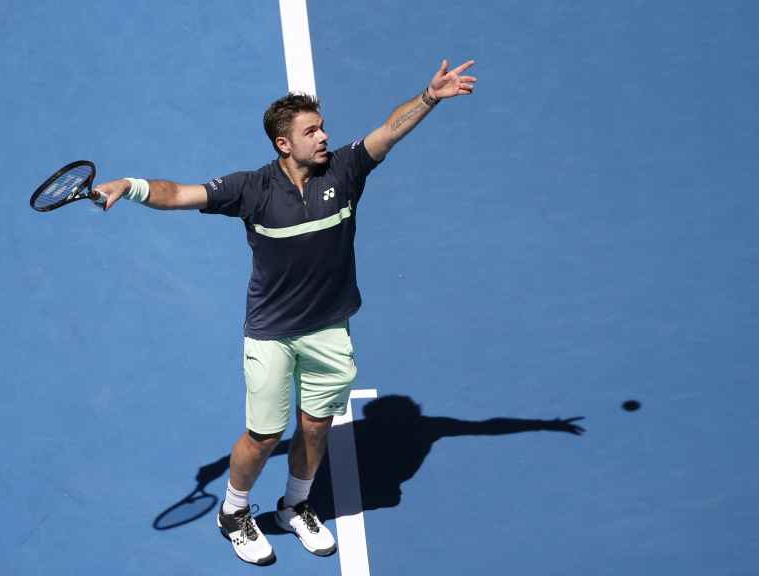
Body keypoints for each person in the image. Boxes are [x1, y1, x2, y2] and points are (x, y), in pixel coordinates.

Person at [94, 58, 477, 566]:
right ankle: (233, 513)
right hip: (272, 335)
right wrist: (131, 185)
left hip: (329, 331)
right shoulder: (250, 190)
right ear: (284, 144)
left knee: (316, 427)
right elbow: (180, 194)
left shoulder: (345, 169)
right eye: (311, 131)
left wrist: (429, 98)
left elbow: (389, 130)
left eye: (322, 128)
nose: (324, 137)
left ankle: (295, 506)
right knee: (264, 435)